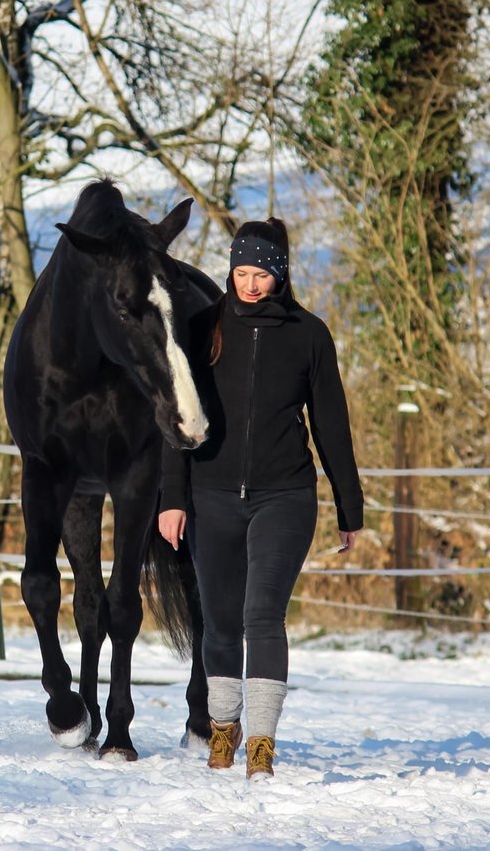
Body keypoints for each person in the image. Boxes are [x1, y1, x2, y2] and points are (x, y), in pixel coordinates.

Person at [158, 217, 363, 780]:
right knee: (220, 622)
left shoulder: (309, 335)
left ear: (280, 274)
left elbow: (331, 426)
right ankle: (224, 730)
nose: (249, 284)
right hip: (211, 495)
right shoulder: (202, 329)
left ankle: (262, 745)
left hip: (285, 495)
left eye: (261, 274)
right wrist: (172, 498)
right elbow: (179, 420)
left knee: (261, 614)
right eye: (241, 272)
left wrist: (350, 507)